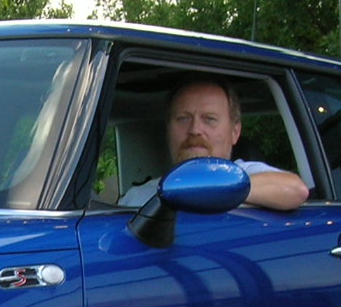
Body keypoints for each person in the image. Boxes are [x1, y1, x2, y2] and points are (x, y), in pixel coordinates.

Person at [118, 79, 310, 211]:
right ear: (168, 129)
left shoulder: (245, 175)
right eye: (183, 118)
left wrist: (214, 186)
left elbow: (295, 190)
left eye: (209, 119)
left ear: (235, 132)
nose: (194, 129)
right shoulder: (137, 196)